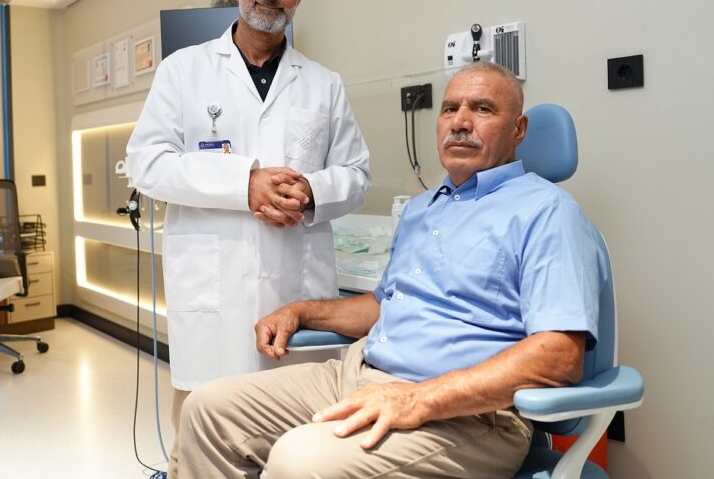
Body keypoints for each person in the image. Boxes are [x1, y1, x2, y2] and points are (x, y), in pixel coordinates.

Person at [175, 61, 606, 478]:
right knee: (209, 410)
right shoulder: (423, 208)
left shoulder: (548, 212)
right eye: (450, 109)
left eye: (482, 109)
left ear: (519, 129)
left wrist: (420, 399)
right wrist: (302, 311)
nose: (460, 122)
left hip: (469, 415)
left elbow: (560, 355)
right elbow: (385, 306)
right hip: (361, 374)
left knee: (298, 461)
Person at [126, 0, 371, 476]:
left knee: (299, 451)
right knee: (201, 446)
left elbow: (357, 174)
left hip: (295, 294)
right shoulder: (183, 71)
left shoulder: (324, 84)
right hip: (214, 300)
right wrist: (245, 183)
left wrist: (313, 192)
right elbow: (147, 163)